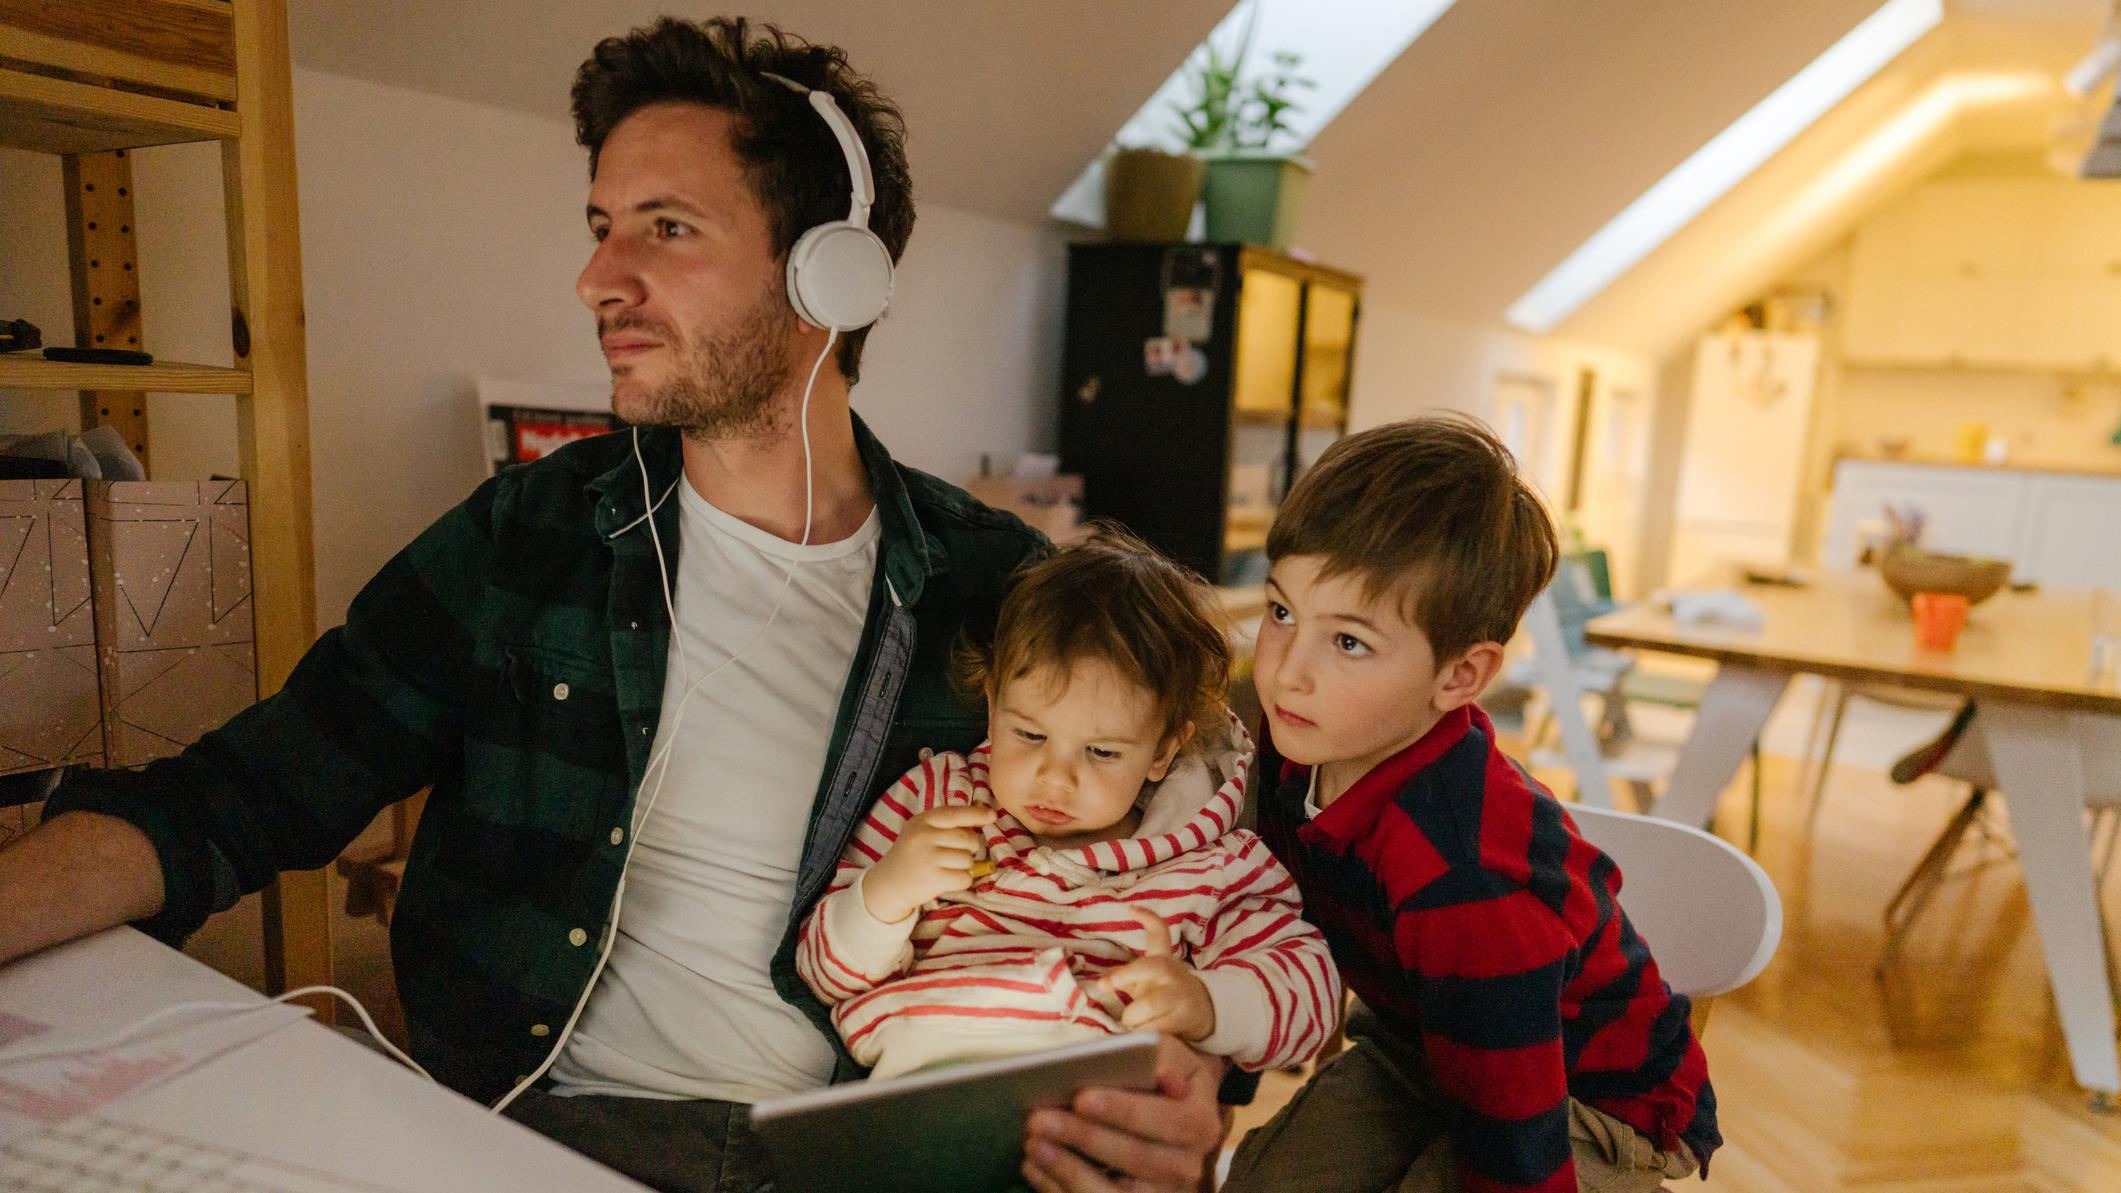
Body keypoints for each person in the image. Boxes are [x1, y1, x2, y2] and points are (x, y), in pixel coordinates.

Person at [0, 17, 1224, 1193]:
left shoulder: (998, 594)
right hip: (542, 1123)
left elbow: (1209, 875)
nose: (597, 278)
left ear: (828, 274)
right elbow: (243, 793)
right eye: (599, 227)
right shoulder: (530, 538)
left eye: (665, 227)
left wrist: (1192, 1082)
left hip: (868, 1146)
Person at [1221, 415, 1719, 1193]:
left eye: (1348, 641)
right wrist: (1220, 1083)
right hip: (1418, 1045)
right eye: (1282, 612)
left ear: (1458, 677)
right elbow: (1259, 919)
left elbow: (1516, 1145)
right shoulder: (1295, 749)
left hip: (1586, 1104)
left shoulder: (1462, 871)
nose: (1286, 673)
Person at [796, 529, 1339, 1083]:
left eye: (1101, 752)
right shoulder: (935, 800)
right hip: (919, 1084)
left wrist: (1207, 1004)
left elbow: (1312, 996)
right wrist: (886, 893)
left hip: (1093, 1100)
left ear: (1162, 751)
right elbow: (823, 973)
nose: (1056, 778)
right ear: (993, 707)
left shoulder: (1209, 865)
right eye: (1029, 735)